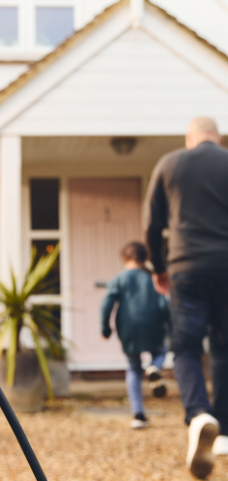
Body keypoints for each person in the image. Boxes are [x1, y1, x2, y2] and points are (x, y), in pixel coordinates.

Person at [144, 117, 228, 478]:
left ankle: (199, 413)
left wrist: (159, 267)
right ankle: (223, 429)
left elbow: (151, 223)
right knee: (225, 348)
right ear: (218, 137)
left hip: (186, 269)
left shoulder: (170, 163)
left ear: (189, 139)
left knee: (187, 348)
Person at [101, 241, 170, 430]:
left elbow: (107, 304)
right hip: (153, 324)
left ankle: (138, 415)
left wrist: (105, 328)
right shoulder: (153, 278)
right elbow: (164, 303)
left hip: (128, 327)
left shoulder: (119, 279)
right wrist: (169, 325)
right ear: (145, 258)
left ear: (125, 258)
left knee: (133, 367)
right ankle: (154, 368)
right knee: (161, 350)